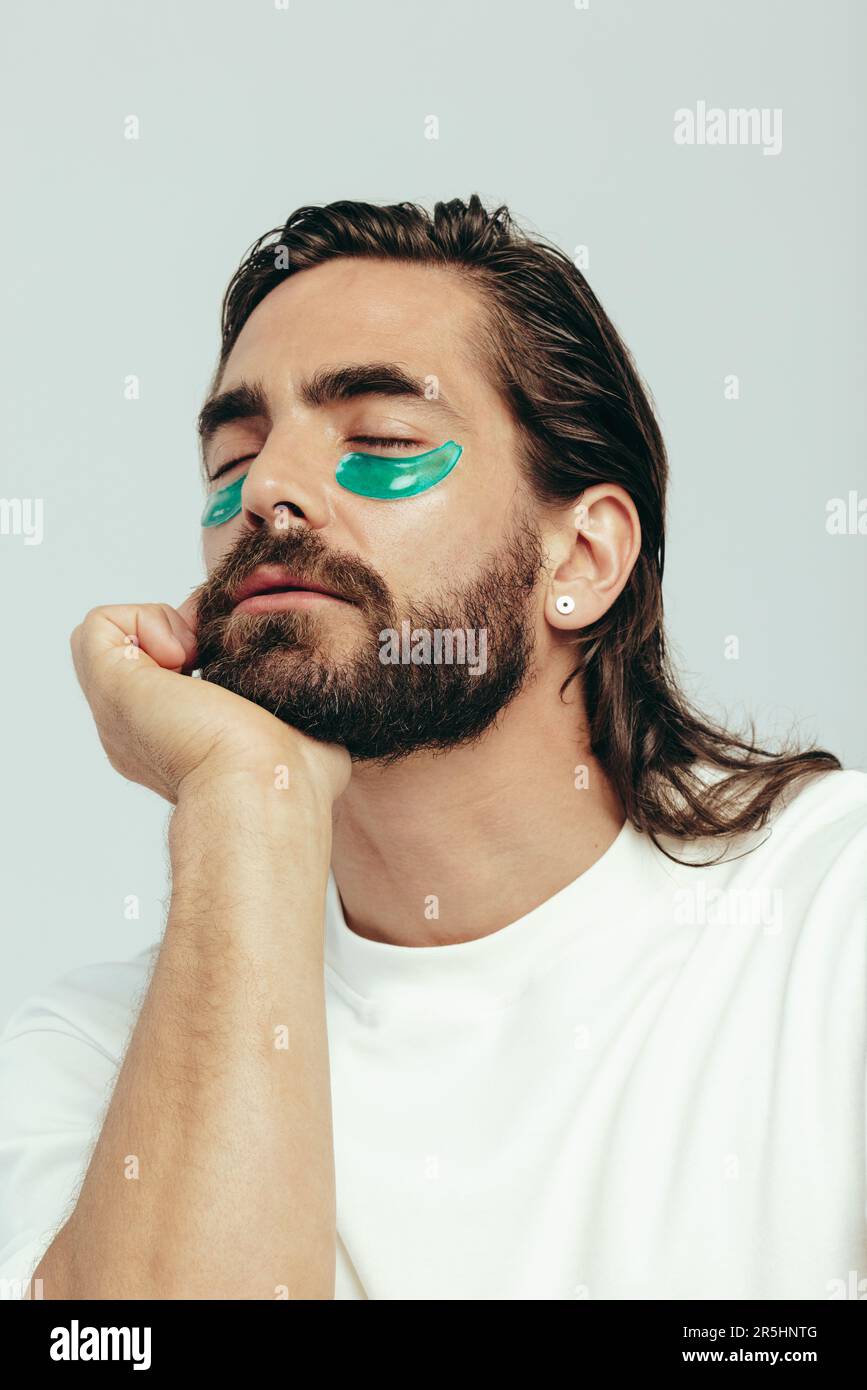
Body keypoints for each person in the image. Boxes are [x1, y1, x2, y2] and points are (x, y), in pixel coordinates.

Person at [1, 196, 864, 1301]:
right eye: (233, 453)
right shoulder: (101, 1051)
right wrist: (247, 796)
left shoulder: (836, 920)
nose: (267, 492)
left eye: (385, 441)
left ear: (586, 557)